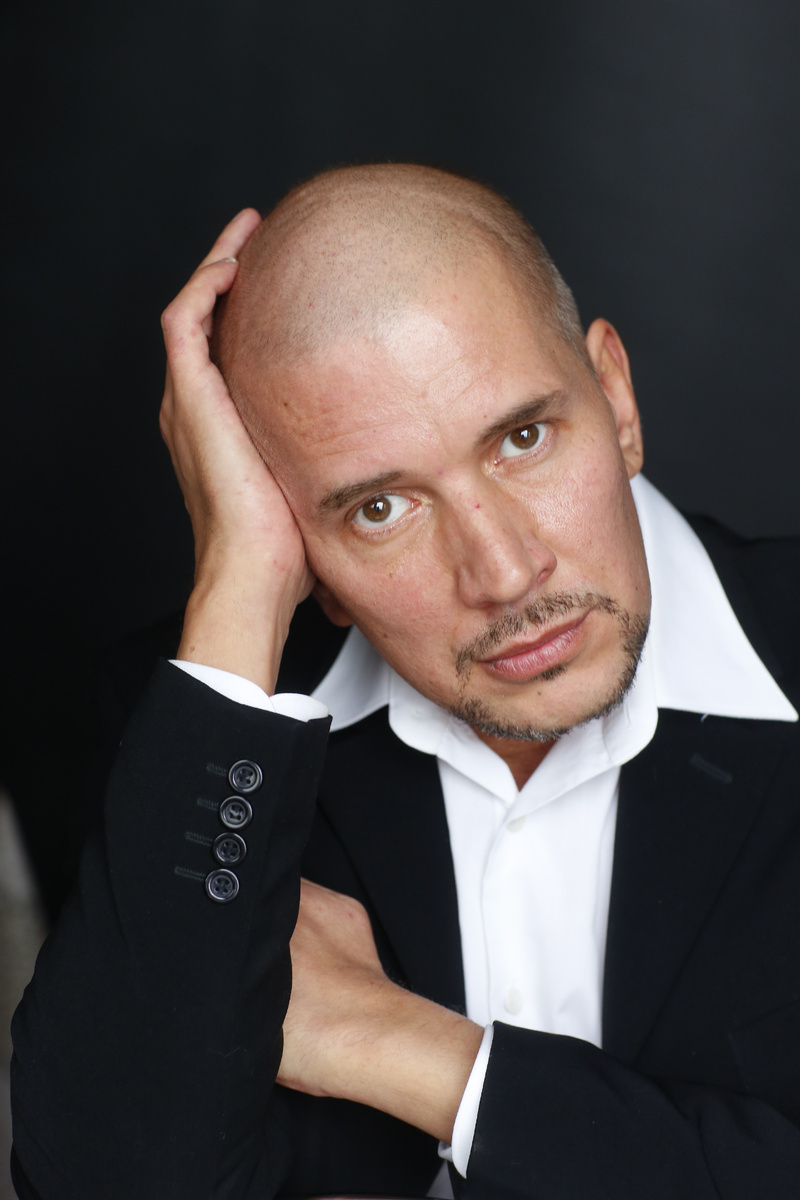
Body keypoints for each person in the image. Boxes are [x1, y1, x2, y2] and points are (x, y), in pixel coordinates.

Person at [10, 164, 800, 1200]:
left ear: (615, 398)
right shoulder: (207, 735)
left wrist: (402, 1049)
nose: (504, 573)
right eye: (378, 509)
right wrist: (240, 581)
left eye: (522, 439)